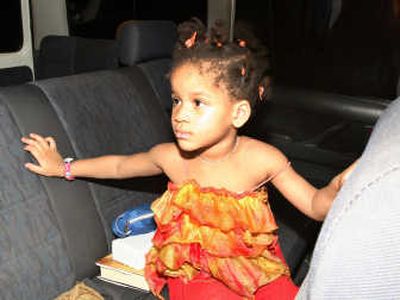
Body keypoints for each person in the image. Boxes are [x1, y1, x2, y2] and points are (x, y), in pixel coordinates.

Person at [21, 18, 355, 300]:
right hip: (191, 279)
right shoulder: (170, 157)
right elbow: (120, 166)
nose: (180, 114)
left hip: (251, 274)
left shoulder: (262, 159)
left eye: (198, 103)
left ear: (238, 113)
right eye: (177, 100)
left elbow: (314, 205)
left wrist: (337, 188)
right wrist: (62, 166)